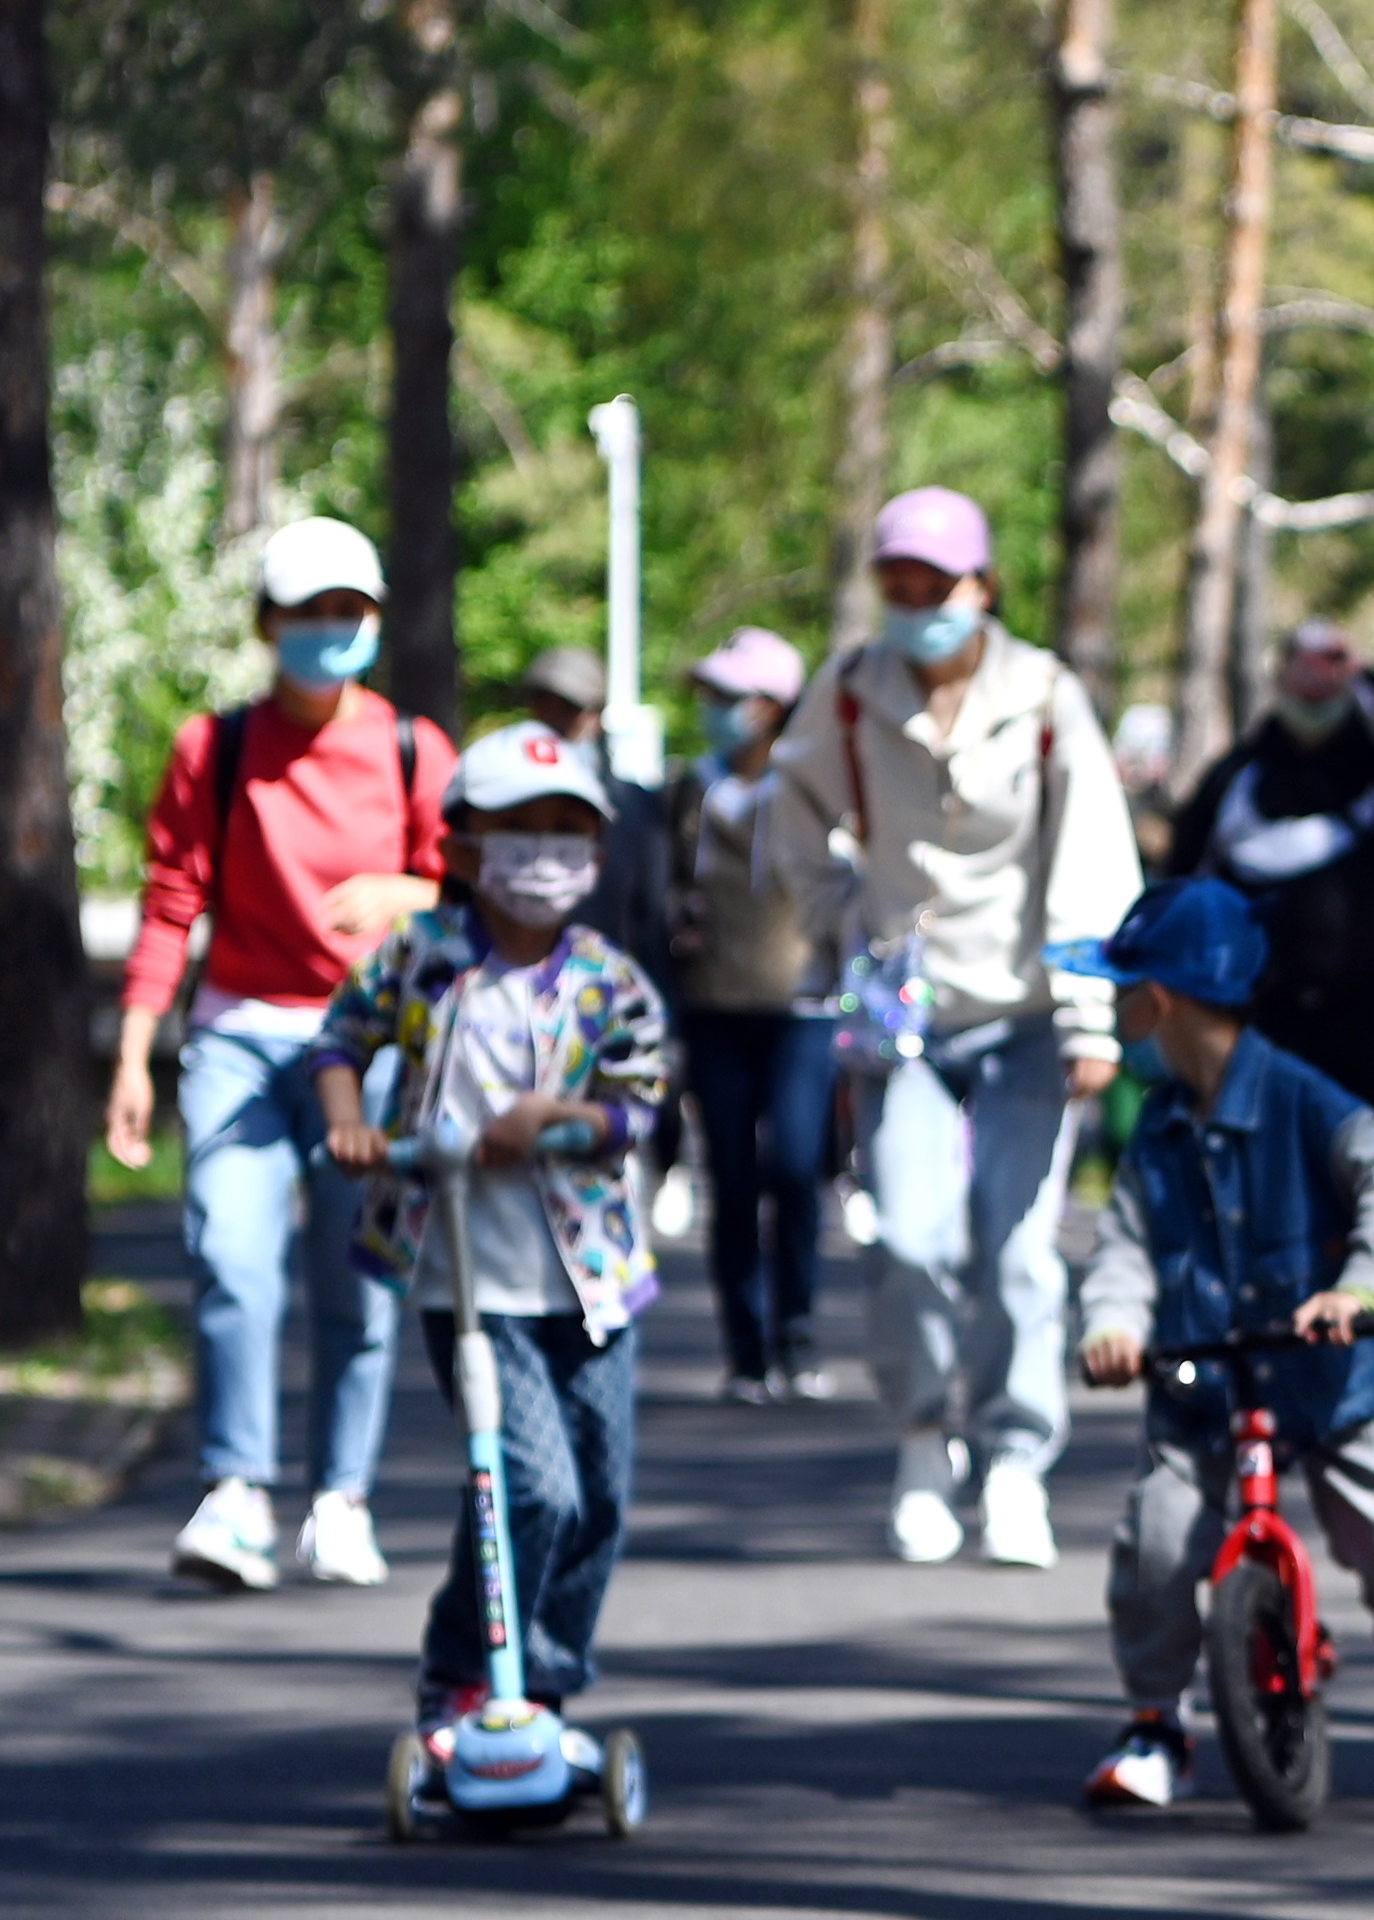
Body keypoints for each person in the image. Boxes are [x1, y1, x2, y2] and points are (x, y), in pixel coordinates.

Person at [766, 485, 1144, 1572]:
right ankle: (925, 1443)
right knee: (914, 1240)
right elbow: (787, 810)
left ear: (980, 587)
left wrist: (1089, 1017)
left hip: (1028, 1012)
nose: (914, 603)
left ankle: (1016, 1462)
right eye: (896, 584)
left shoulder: (1041, 695)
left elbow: (1089, 861)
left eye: (933, 586)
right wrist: (837, 919)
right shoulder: (847, 689)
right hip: (908, 1018)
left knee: (1020, 1252)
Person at [1064, 879, 1374, 1808]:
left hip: (1329, 1377)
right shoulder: (1158, 1131)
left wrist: (1362, 1286)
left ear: (1160, 998)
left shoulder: (1309, 1104)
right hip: (1203, 1381)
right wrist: (1114, 1324)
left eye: (1123, 986)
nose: (1117, 1005)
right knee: (1160, 1544)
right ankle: (1155, 1724)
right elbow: (1127, 1247)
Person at [107, 515, 457, 1595]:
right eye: (308, 614)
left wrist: (410, 893)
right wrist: (133, 1055)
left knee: (359, 1279)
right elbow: (172, 901)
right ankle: (235, 1492)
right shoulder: (212, 750)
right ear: (267, 624)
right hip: (238, 1037)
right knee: (231, 1255)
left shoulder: (414, 750)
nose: (329, 632)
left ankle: (340, 1499)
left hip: (369, 1046)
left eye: (349, 613)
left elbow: (477, 897)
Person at [315, 723, 677, 1717]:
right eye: (518, 829)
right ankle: (462, 1670)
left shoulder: (608, 976)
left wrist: (560, 1119)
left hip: (589, 1272)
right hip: (466, 1270)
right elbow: (342, 1035)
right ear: (464, 846)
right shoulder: (424, 955)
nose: (544, 852)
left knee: (597, 1498)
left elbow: (639, 1101)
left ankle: (545, 1684)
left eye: (568, 831)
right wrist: (350, 1126)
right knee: (529, 1488)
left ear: (598, 855)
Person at [1152, 619, 1374, 1113]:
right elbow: (1181, 874)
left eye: (1332, 664)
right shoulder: (1240, 775)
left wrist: (1367, 675)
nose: (1318, 678)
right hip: (1260, 1009)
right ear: (1281, 675)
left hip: (1365, 1014)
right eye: (1304, 663)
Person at [665, 625, 844, 1404]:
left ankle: (797, 1334)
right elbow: (659, 883)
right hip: (714, 1007)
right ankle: (746, 1347)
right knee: (731, 1179)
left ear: (771, 708)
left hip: (803, 1006)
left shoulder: (817, 788)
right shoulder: (688, 789)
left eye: (730, 698)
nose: (714, 711)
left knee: (797, 1169)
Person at [512, 642, 681, 975]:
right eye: (541, 703)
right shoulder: (503, 800)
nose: (552, 719)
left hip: (606, 989)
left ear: (596, 715)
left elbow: (651, 916)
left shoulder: (634, 807)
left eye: (568, 707)